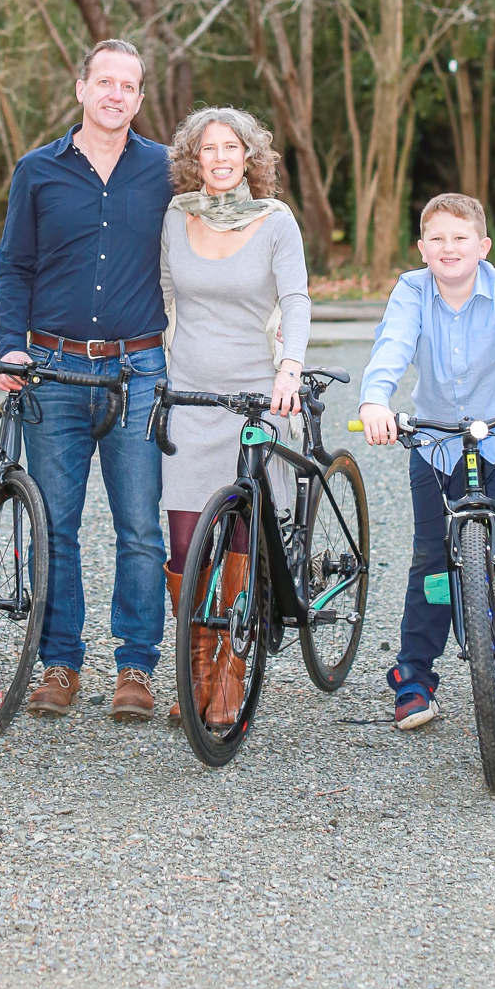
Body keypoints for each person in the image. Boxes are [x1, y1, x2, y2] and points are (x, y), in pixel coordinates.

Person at [0, 39, 173, 721]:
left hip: (137, 368)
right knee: (56, 524)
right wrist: (12, 349)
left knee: (138, 526)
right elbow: (16, 267)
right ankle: (60, 664)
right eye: (106, 81)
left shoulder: (164, 170)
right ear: (81, 88)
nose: (116, 95)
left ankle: (136, 665)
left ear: (139, 98)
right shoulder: (37, 170)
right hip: (53, 368)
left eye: (129, 86)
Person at [357, 191, 495, 729]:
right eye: (437, 238)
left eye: (460, 238)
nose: (448, 247)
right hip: (438, 442)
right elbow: (392, 345)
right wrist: (374, 400)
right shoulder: (412, 290)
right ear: (421, 247)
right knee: (431, 559)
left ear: (482, 246)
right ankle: (413, 676)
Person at [159, 107, 309, 727]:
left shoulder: (277, 222)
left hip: (257, 393)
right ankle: (196, 666)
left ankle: (232, 671)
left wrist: (289, 370)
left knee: (245, 533)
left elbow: (295, 297)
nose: (220, 158)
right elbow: (166, 294)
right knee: (186, 540)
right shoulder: (176, 216)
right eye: (208, 149)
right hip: (192, 394)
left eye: (232, 148)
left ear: (251, 157)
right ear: (195, 160)